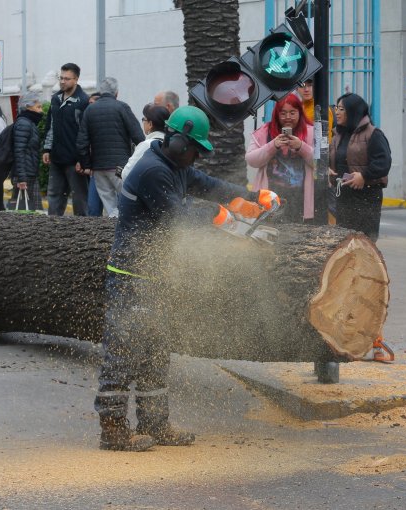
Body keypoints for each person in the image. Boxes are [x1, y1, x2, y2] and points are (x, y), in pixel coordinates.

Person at [95, 105, 280, 451]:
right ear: (178, 142)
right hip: (131, 275)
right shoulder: (153, 171)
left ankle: (155, 423)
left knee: (154, 350)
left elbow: (209, 185)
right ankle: (113, 429)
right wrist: (218, 215)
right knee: (125, 349)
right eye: (194, 148)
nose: (196, 156)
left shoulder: (177, 166)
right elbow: (176, 219)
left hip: (156, 275)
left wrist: (251, 198)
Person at [77, 77, 145, 217]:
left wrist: (87, 165)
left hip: (99, 167)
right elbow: (137, 135)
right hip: (120, 166)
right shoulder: (122, 107)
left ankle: (112, 230)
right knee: (128, 199)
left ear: (101, 92)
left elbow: (81, 142)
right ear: (116, 93)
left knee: (110, 205)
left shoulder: (90, 110)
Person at [327, 93, 391, 241]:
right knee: (345, 242)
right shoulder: (338, 134)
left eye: (341, 109)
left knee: (364, 242)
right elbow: (332, 158)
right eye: (337, 108)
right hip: (343, 196)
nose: (336, 112)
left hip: (366, 198)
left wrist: (364, 176)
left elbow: (383, 162)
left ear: (353, 111)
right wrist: (328, 169)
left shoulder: (373, 134)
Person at [246, 95, 315, 222]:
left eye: (292, 113)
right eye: (283, 113)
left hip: (302, 198)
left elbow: (321, 163)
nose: (288, 117)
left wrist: (301, 146)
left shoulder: (311, 132)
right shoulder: (265, 131)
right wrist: (273, 145)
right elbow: (251, 160)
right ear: (276, 114)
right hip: (270, 196)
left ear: (300, 113)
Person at [43, 63, 90, 216]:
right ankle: (53, 231)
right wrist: (47, 149)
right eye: (61, 78)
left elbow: (86, 132)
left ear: (76, 79)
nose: (62, 81)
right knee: (54, 198)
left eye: (67, 79)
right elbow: (50, 125)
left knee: (80, 200)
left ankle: (82, 234)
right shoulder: (55, 99)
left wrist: (82, 159)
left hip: (75, 161)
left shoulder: (83, 101)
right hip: (56, 159)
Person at [9, 91, 44, 211]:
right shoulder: (24, 124)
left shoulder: (29, 123)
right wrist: (21, 178)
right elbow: (19, 151)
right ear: (28, 107)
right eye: (38, 107)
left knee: (33, 212)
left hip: (29, 174)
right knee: (26, 214)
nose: (41, 111)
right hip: (25, 176)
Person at [120, 104, 169, 182]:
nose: (143, 122)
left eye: (144, 119)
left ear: (150, 124)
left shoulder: (146, 145)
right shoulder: (171, 144)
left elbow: (126, 174)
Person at [86, 92, 104, 217]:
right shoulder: (89, 120)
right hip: (96, 169)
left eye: (91, 104)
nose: (89, 107)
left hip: (113, 169)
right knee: (93, 208)